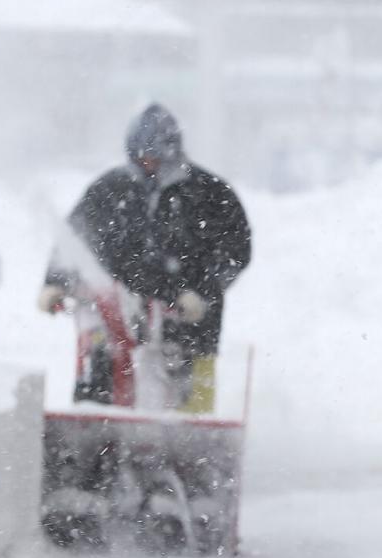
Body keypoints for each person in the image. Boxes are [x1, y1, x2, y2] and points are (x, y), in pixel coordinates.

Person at [38, 103, 251, 412]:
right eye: (140, 157)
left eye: (154, 157)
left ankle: (189, 449)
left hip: (191, 325)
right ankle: (97, 436)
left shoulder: (210, 194)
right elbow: (75, 240)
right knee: (101, 375)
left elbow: (236, 252)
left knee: (189, 407)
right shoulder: (110, 189)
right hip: (120, 314)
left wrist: (202, 293)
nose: (147, 164)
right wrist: (56, 282)